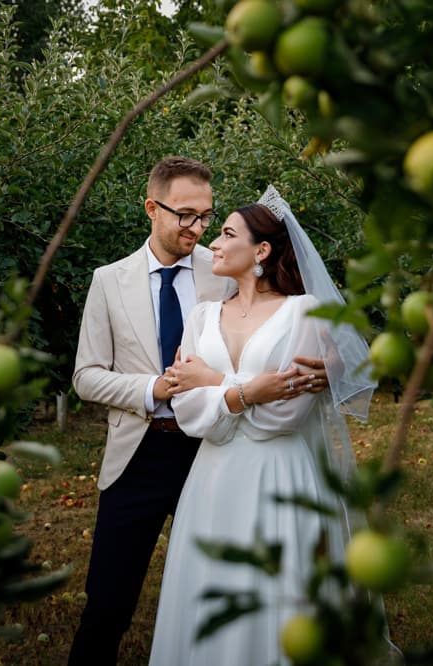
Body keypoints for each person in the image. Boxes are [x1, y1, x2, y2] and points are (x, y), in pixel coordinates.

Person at [69, 158, 328, 665]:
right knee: (107, 605)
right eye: (186, 215)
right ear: (152, 208)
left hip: (216, 450)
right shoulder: (108, 280)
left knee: (219, 585)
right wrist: (157, 388)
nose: (199, 229)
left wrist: (327, 369)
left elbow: (280, 319)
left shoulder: (225, 267)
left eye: (207, 217)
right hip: (137, 457)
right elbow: (86, 375)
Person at [148, 186, 378, 665]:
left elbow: (284, 414)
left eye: (227, 232)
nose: (213, 241)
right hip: (213, 480)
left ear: (261, 250)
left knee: (279, 601)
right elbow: (188, 412)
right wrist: (246, 391)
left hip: (280, 477)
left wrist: (214, 384)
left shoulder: (304, 310)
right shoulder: (202, 316)